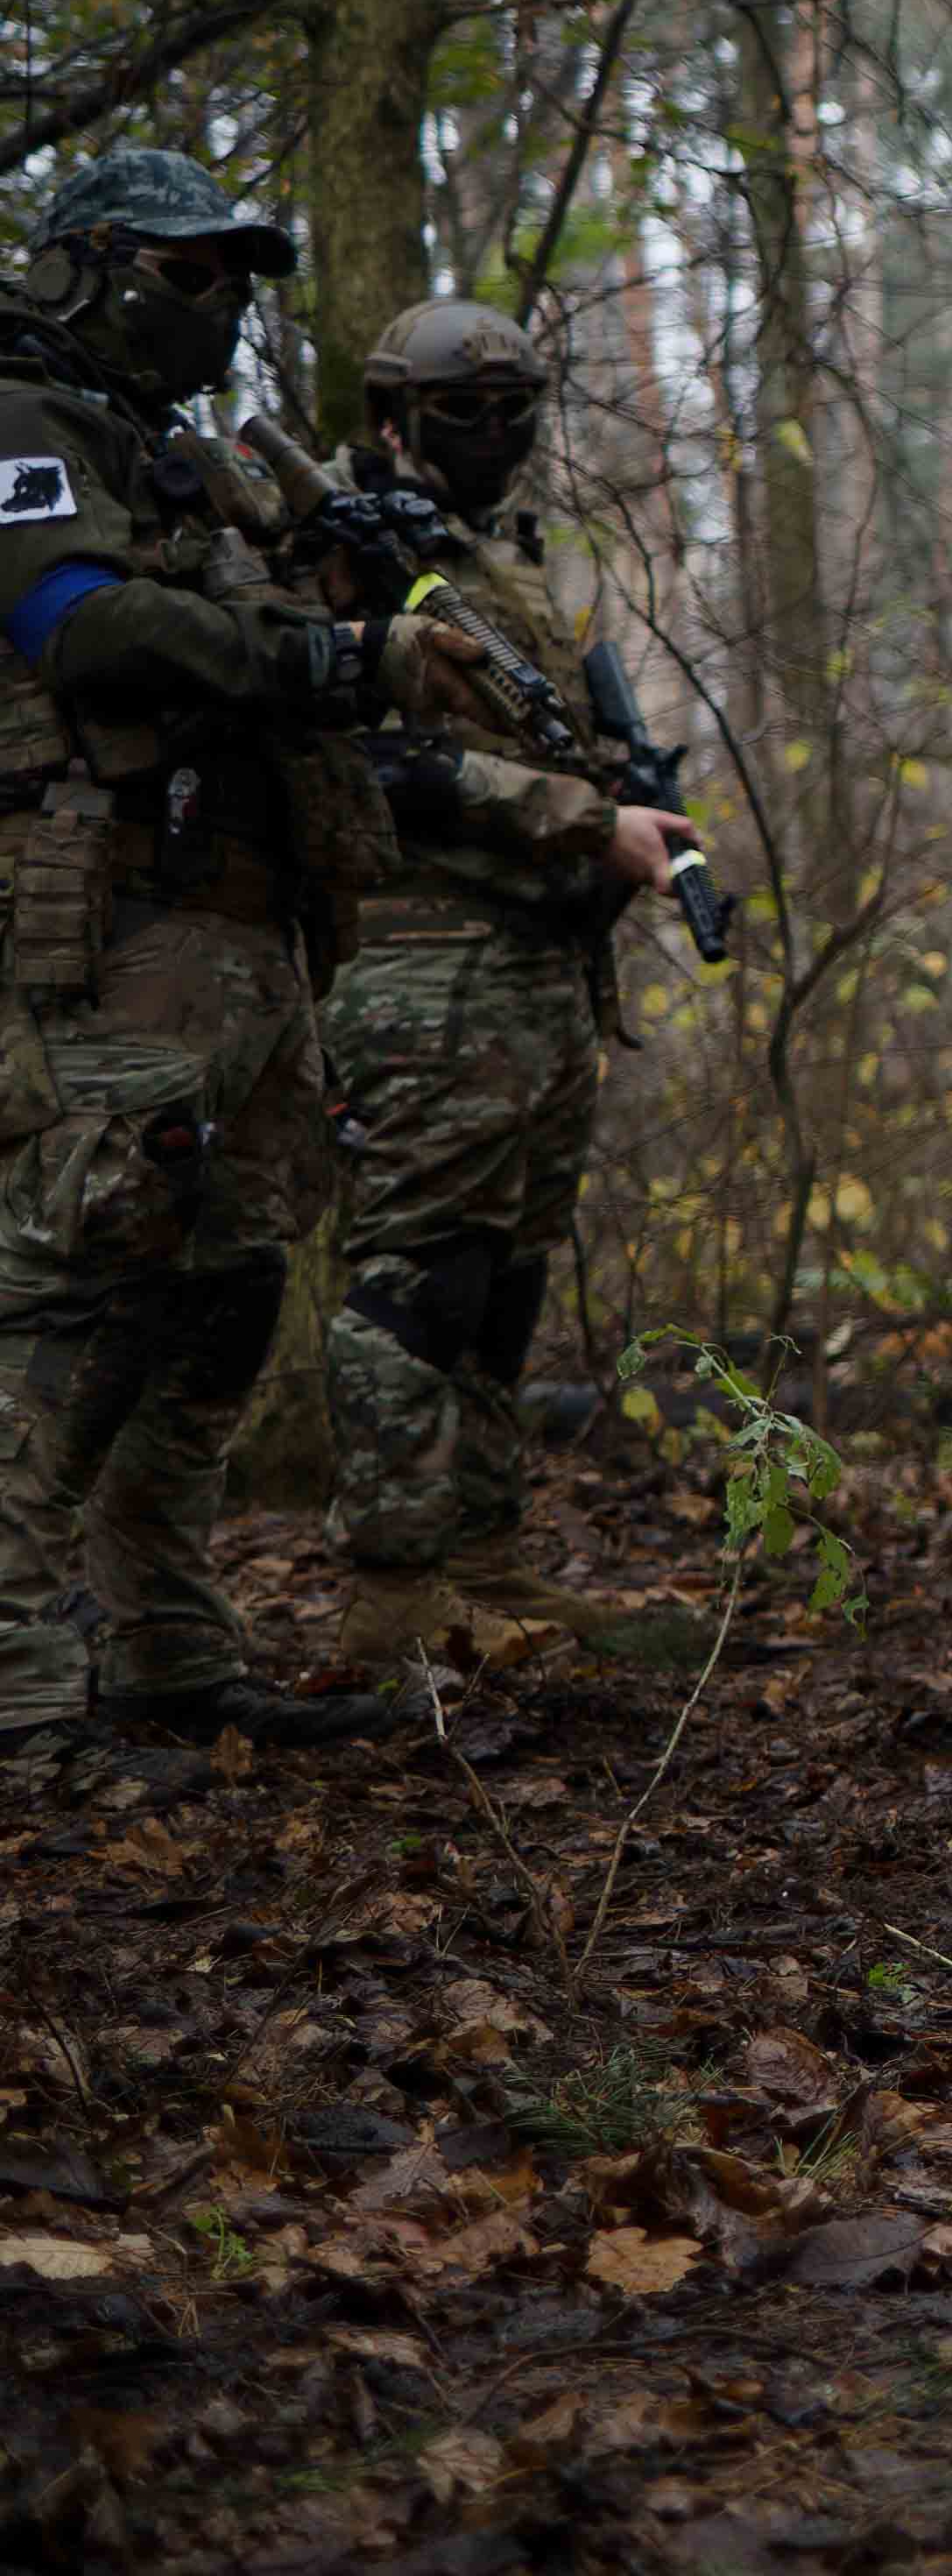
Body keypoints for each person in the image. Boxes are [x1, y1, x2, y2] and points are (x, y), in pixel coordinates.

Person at [0, 152, 463, 1791]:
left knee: (218, 1297)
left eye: (237, 280)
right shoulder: (22, 423)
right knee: (69, 1300)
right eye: (187, 273)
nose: (220, 306)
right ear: (84, 266)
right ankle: (19, 1706)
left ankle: (168, 1660)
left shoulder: (181, 462)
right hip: (102, 928)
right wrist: (324, 654)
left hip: (235, 940)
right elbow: (78, 626)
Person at [318, 300, 690, 1658]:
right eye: (460, 412)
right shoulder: (337, 546)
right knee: (420, 1271)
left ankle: (482, 1560)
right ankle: (392, 1588)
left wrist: (609, 808)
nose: (492, 434)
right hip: (422, 963)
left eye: (513, 411)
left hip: (536, 960)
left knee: (505, 1277)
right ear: (393, 417)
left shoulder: (498, 557)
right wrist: (581, 819)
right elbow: (361, 756)